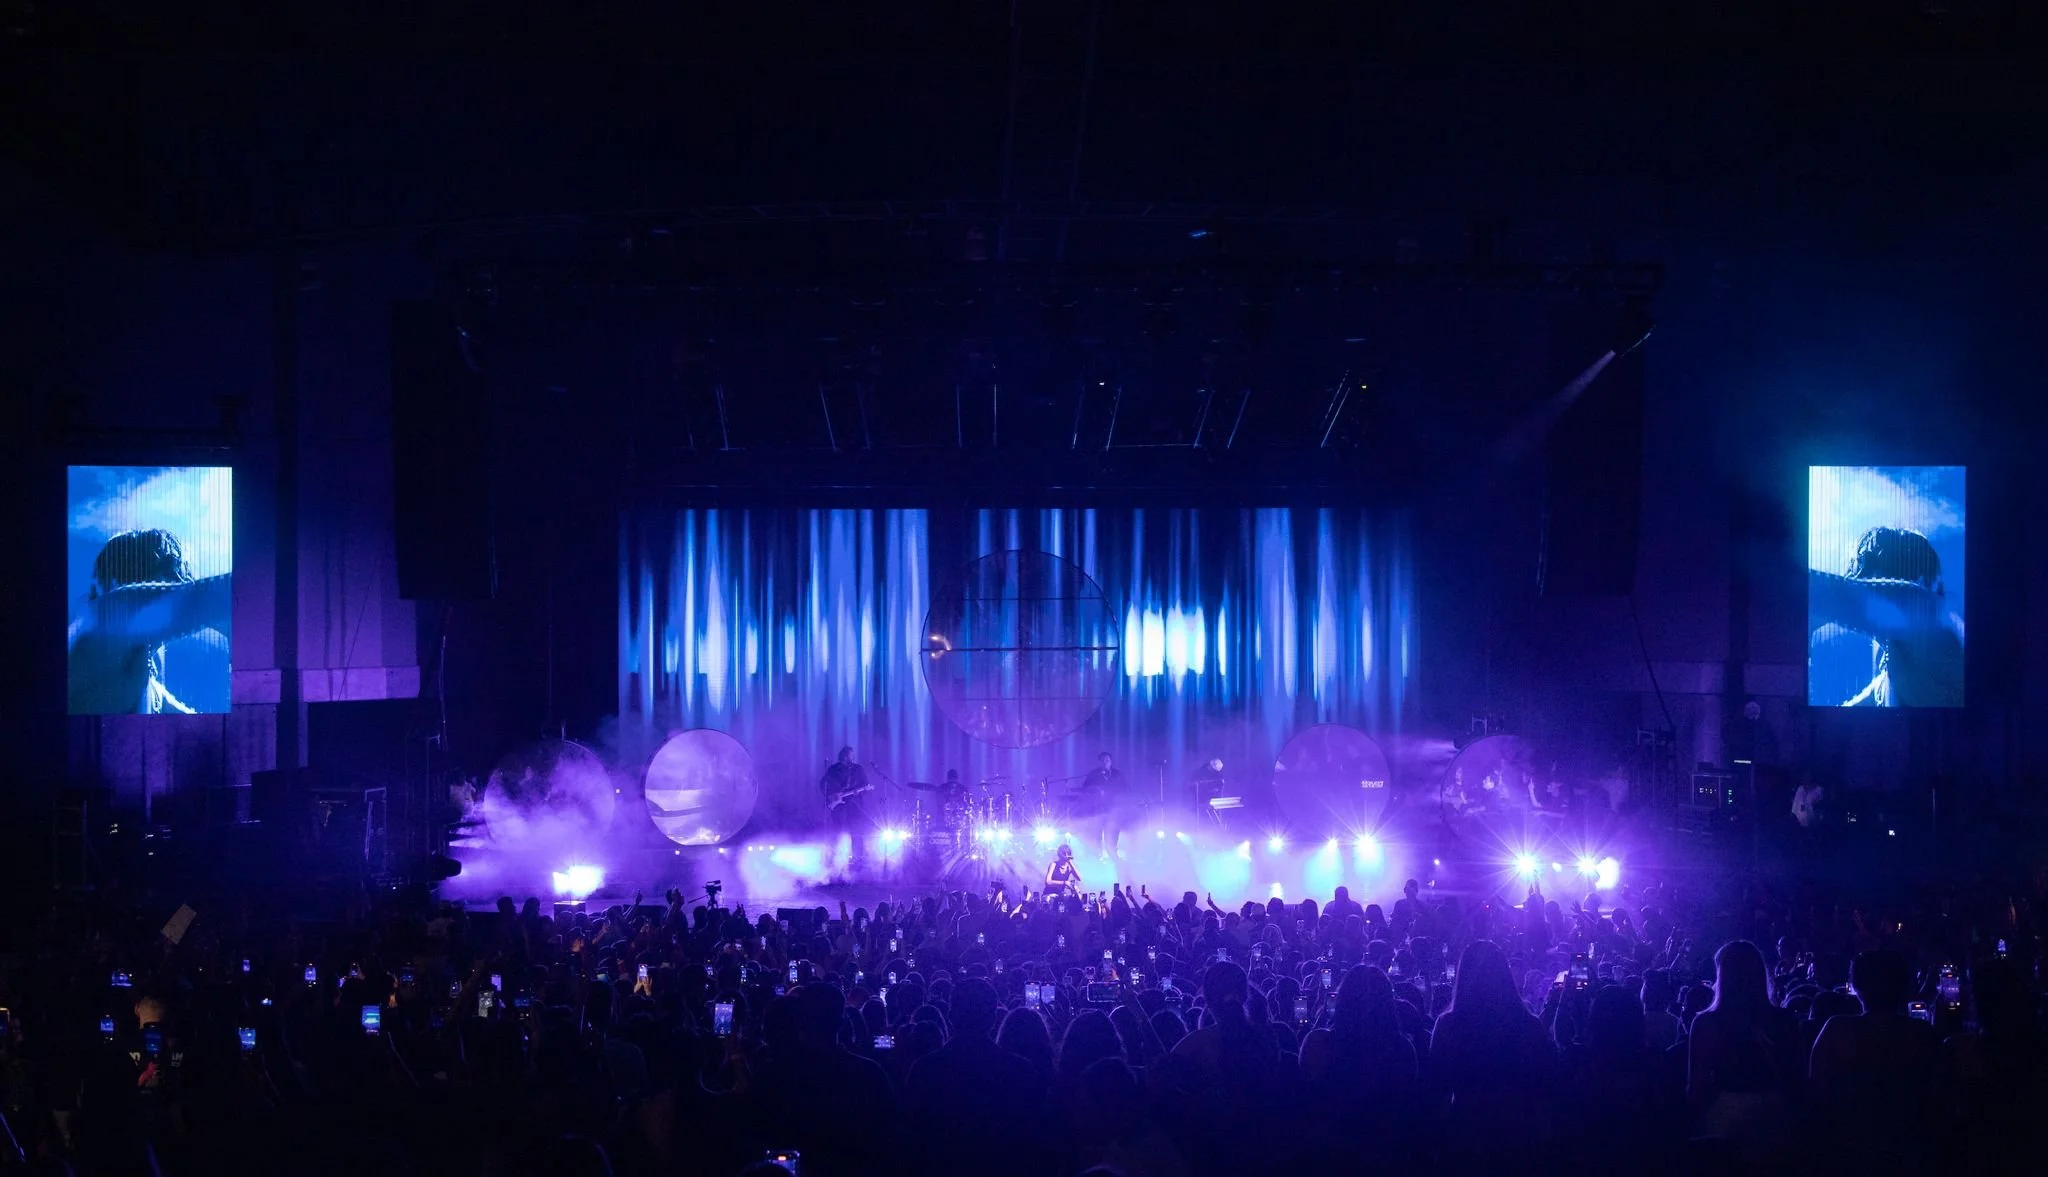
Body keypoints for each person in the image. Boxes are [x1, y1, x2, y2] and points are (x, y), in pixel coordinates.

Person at [67, 528, 231, 715]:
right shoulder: (97, 623)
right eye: (168, 584)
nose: (178, 588)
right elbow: (222, 594)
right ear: (115, 583)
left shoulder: (144, 660)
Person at [1808, 950, 1942, 1167]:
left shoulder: (1836, 1031)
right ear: (1903, 984)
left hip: (1850, 1152)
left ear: (1856, 986)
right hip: (1911, 1153)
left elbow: (1816, 1096)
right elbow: (1939, 1099)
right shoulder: (1924, 1034)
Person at [1808, 525, 1964, 707]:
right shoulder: (1893, 665)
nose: (1864, 586)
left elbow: (1880, 600)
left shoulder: (1934, 617)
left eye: (1870, 581)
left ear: (1919, 581)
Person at [905, 978, 1045, 1177]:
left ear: (951, 1015)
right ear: (994, 1018)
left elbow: (910, 1139)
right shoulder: (1020, 1070)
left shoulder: (924, 1069)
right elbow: (1034, 1141)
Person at [1686, 941, 1799, 1162]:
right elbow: (1797, 1076)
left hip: (1726, 1111)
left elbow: (1696, 1086)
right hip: (1773, 1109)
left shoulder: (1706, 1022)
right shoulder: (1784, 1019)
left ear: (1722, 975)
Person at [820, 747, 871, 879]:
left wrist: (860, 790)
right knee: (839, 831)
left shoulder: (858, 769)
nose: (849, 758)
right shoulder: (832, 769)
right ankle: (836, 862)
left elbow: (865, 785)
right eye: (847, 756)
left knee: (856, 832)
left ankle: (857, 861)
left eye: (851, 756)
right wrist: (832, 795)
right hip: (839, 807)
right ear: (841, 756)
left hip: (854, 805)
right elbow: (823, 785)